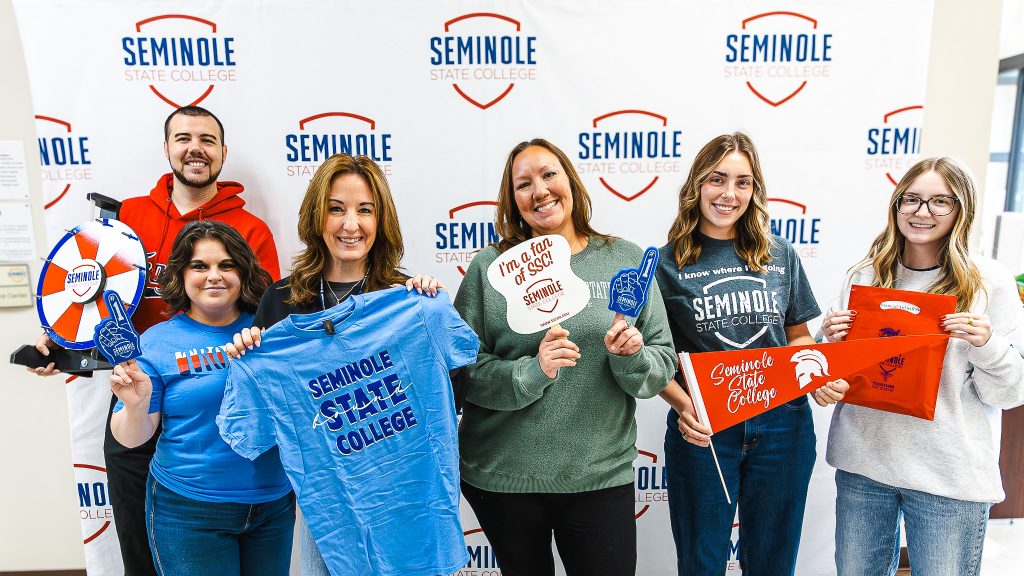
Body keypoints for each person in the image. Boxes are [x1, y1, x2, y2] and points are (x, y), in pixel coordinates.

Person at [30, 105, 280, 576]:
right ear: (166, 148)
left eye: (207, 140)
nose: (195, 149)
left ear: (222, 153)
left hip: (210, 398)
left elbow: (267, 320)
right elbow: (85, 297)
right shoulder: (127, 219)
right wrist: (60, 345)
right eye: (183, 138)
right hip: (138, 390)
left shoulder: (250, 230)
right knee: (136, 534)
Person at [452, 138, 676, 576]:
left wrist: (631, 357)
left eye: (549, 174)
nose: (539, 191)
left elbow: (660, 363)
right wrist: (531, 371)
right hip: (505, 477)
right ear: (512, 200)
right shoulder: (490, 268)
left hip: (598, 475)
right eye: (523, 184)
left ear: (571, 181)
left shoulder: (625, 260)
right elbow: (461, 372)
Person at [224, 153, 443, 576]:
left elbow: (450, 388)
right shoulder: (282, 300)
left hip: (401, 493)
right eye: (336, 209)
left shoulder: (404, 299)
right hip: (327, 499)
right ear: (316, 216)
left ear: (381, 221)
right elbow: (261, 413)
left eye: (365, 210)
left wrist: (427, 314)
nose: (350, 224)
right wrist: (247, 355)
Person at [654, 132, 848, 576]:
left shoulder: (780, 255)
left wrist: (815, 372)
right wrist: (681, 405)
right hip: (705, 427)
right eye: (717, 179)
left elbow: (798, 337)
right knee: (701, 562)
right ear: (696, 185)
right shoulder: (666, 264)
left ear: (754, 190)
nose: (728, 193)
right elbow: (655, 358)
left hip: (784, 426)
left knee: (773, 562)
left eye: (743, 182)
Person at [820, 157, 1024, 576]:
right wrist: (828, 361)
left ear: (961, 209)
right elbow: (834, 374)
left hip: (948, 475)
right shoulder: (865, 275)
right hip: (864, 465)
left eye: (939, 202)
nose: (921, 211)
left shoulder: (989, 282)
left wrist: (986, 344)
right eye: (910, 199)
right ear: (896, 206)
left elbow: (1009, 394)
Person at [109, 221, 293, 576]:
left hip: (272, 505)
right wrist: (135, 405)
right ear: (181, 274)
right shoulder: (156, 341)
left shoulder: (273, 333)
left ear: (243, 272)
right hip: (189, 511)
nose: (214, 276)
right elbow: (133, 437)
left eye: (226, 265)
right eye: (200, 266)